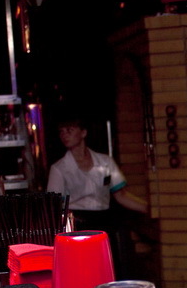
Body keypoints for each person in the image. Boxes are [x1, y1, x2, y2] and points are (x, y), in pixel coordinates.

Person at [47, 115, 148, 271]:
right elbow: (55, 206)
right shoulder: (59, 169)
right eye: (61, 132)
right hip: (77, 224)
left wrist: (150, 209)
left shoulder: (105, 162)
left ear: (83, 133)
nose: (64, 135)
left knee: (109, 267)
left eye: (69, 130)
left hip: (104, 222)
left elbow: (121, 195)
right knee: (85, 268)